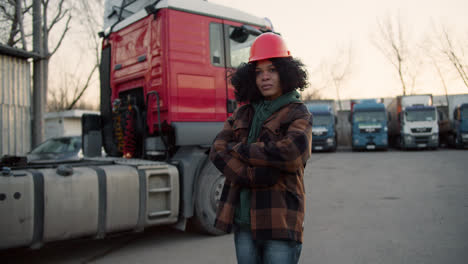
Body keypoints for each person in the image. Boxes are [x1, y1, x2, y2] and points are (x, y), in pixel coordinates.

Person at [209, 32, 313, 264]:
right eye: (259, 72)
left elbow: (290, 154)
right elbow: (217, 150)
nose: (265, 77)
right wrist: (252, 173)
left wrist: (242, 150)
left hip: (280, 223)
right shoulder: (242, 113)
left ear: (286, 72)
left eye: (272, 70)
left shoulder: (298, 112)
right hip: (243, 222)